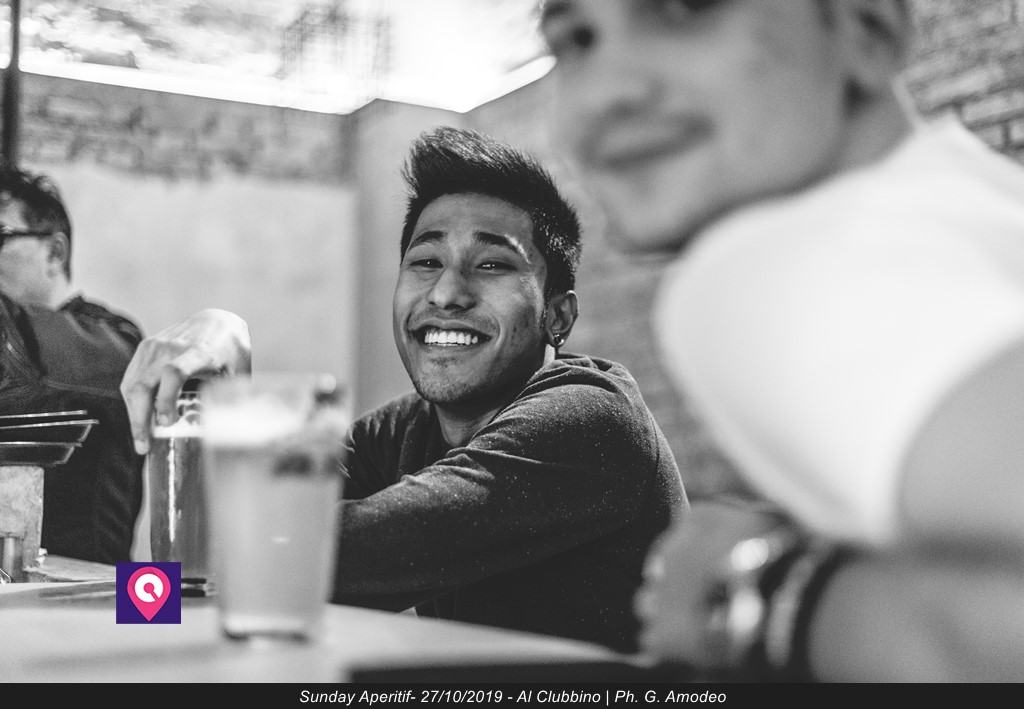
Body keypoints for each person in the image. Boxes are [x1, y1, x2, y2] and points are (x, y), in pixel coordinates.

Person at [539, 0, 1024, 681]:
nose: (603, 95)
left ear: (867, 31)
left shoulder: (764, 269)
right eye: (576, 39)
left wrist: (763, 601)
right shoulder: (976, 196)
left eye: (684, 10)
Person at [119, 126, 688, 652]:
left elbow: (299, 563)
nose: (446, 293)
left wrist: (236, 408)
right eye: (426, 261)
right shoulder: (403, 429)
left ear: (557, 316)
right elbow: (211, 559)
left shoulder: (590, 420)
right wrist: (217, 357)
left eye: (491, 265)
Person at [0, 163, 145, 564]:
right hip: (15, 588)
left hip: (101, 592)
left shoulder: (117, 339)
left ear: (55, 252)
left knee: (161, 597)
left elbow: (23, 353)